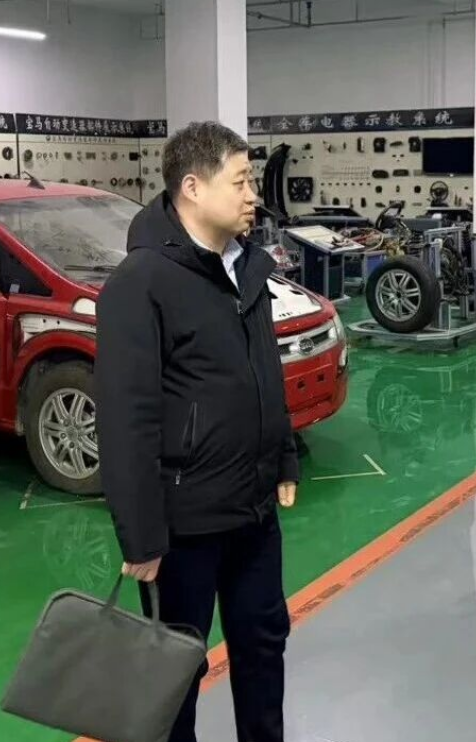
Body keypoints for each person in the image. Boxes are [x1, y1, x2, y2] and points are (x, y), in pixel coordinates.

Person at [96, 121, 298, 742]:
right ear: (192, 187)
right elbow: (125, 417)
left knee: (264, 646)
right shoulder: (141, 283)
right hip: (182, 527)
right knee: (175, 673)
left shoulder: (247, 266)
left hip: (253, 511)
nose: (253, 195)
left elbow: (265, 370)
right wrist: (141, 536)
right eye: (240, 182)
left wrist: (283, 457)